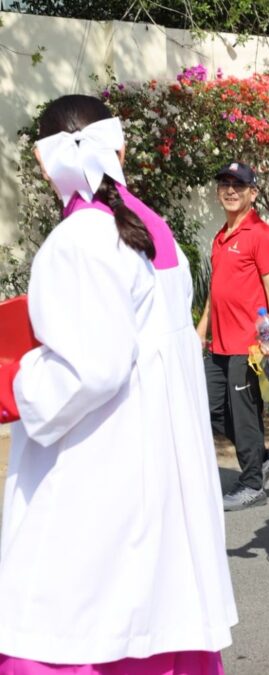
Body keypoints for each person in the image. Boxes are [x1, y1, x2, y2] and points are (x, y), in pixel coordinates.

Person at [0, 94, 236, 672]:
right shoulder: (157, 238)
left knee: (76, 611)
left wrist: (15, 380)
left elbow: (93, 367)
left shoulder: (79, 239)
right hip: (159, 457)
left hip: (98, 462)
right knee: (153, 605)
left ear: (41, 162)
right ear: (121, 150)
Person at [196, 161, 269, 511]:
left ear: (253, 193)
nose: (230, 190)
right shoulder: (221, 237)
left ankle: (252, 485)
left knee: (246, 416)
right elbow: (215, 292)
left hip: (249, 346)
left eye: (239, 185)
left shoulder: (262, 236)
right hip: (218, 344)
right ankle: (261, 457)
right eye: (225, 184)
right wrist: (201, 330)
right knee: (207, 408)